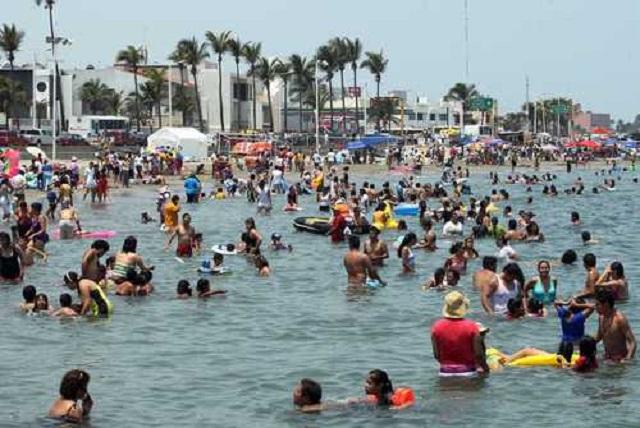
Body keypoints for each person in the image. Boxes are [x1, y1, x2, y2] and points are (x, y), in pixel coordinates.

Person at [431, 290, 489, 375]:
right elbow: (478, 354)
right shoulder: (471, 326)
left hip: (444, 372)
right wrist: (485, 367)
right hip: (468, 371)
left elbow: (436, 355)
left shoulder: (436, 327)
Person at [594, 288, 636, 363]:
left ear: (606, 304)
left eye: (597, 305)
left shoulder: (619, 319)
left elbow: (632, 342)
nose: (595, 307)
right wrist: (585, 344)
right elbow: (599, 337)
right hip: (606, 356)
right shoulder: (601, 317)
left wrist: (627, 359)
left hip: (620, 359)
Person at [554, 298, 595, 362]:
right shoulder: (580, 316)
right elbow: (592, 307)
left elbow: (556, 303)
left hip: (563, 345)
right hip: (576, 348)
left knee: (562, 365)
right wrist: (577, 304)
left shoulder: (563, 314)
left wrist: (566, 303)